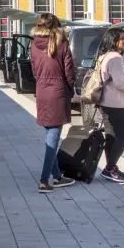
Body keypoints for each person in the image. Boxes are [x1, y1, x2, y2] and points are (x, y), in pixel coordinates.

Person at [29, 13, 77, 193]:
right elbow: (69, 71)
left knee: (50, 135)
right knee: (53, 139)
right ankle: (44, 180)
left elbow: (34, 71)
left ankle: (57, 176)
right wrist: (70, 89)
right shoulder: (61, 43)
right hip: (57, 93)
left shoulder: (34, 44)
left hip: (42, 92)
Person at [94, 28, 124, 183]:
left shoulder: (104, 56)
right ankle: (109, 168)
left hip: (106, 102)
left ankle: (110, 168)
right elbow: (120, 82)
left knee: (112, 136)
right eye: (121, 38)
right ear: (113, 40)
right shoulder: (115, 58)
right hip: (116, 103)